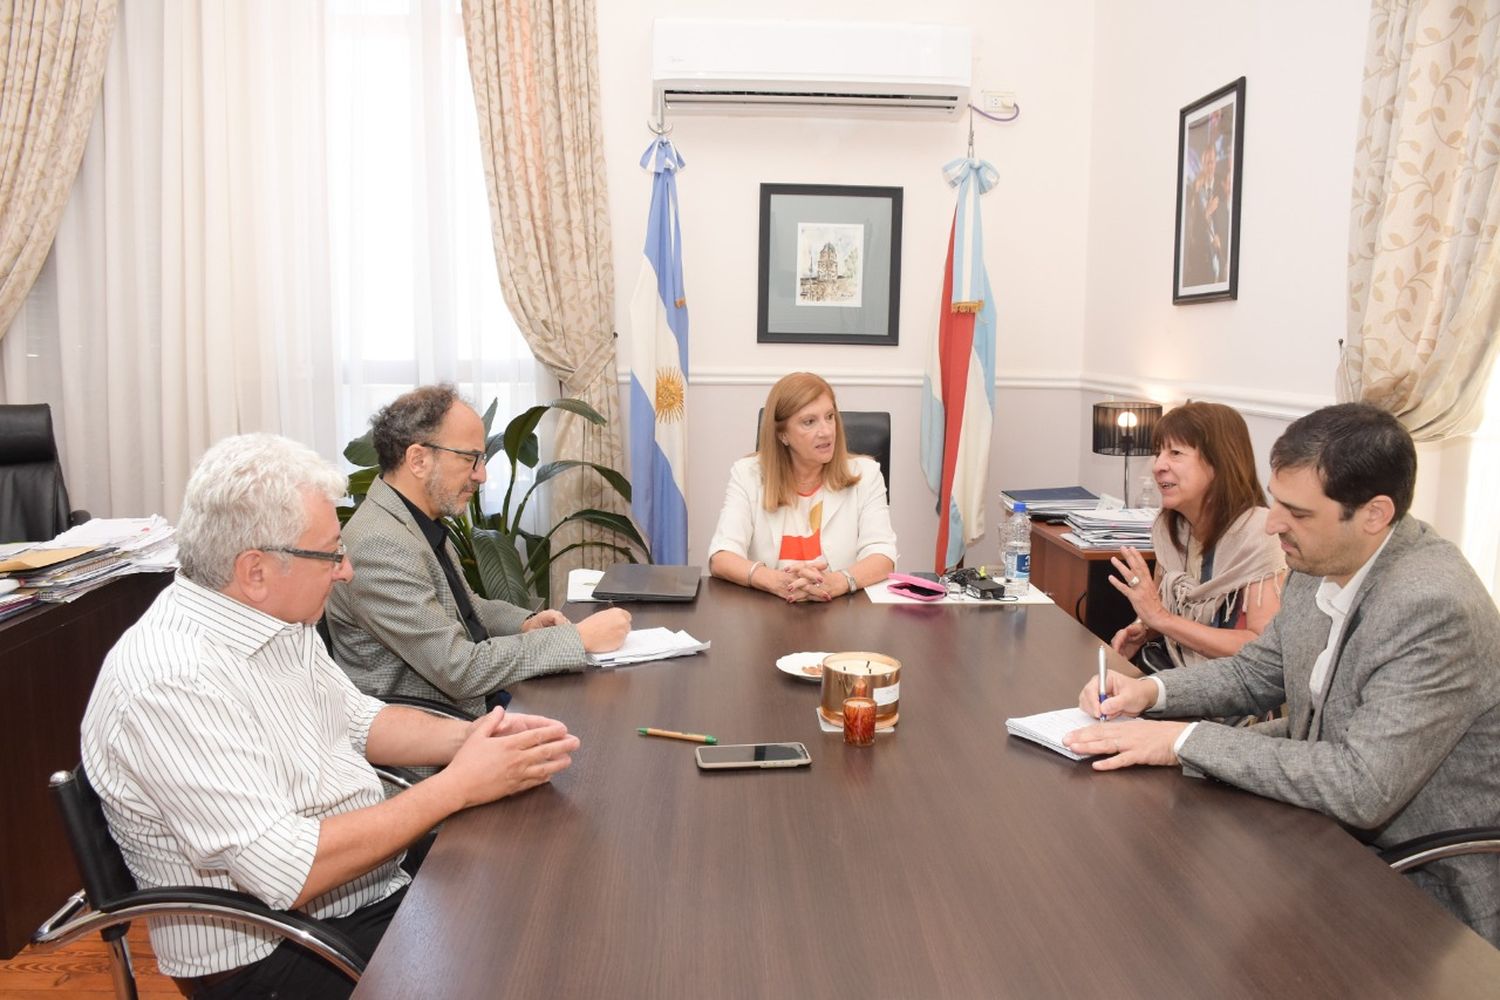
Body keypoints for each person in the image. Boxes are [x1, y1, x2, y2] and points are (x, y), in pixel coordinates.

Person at [80, 434, 582, 997]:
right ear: (256, 570)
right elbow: (288, 872)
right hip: (275, 952)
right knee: (527, 963)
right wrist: (459, 788)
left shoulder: (277, 620)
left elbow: (360, 721)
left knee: (547, 902)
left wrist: (473, 738)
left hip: (361, 891)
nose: (346, 571)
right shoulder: (169, 681)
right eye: (330, 553)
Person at [1066, 404, 1500, 946]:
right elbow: (1259, 671)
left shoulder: (1433, 607)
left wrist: (1183, 742)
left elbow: (1360, 786)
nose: (1273, 526)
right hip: (1320, 830)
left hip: (1418, 889)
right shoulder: (1320, 562)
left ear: (1374, 513)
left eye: (1296, 512)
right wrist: (1150, 692)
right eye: (1276, 504)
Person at [324, 384, 630, 717]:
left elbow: (465, 607)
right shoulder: (378, 544)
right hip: (440, 740)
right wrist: (578, 639)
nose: (481, 475)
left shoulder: (411, 518)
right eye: (471, 459)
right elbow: (458, 670)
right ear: (418, 459)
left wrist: (526, 623)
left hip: (480, 708)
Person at [1109, 401, 1285, 671]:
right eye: (1159, 453)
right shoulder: (1169, 528)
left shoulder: (1260, 534)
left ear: (1219, 462)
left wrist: (1160, 619)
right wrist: (1142, 630)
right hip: (1180, 679)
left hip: (1239, 701)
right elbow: (1161, 614)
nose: (1158, 466)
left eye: (1175, 452)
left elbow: (1261, 648)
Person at [707, 372, 896, 602]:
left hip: (844, 614)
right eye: (809, 422)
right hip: (768, 615)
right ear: (783, 434)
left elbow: (883, 555)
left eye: (829, 417)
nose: (826, 431)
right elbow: (722, 556)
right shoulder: (747, 474)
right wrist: (774, 581)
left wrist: (837, 582)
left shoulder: (866, 474)